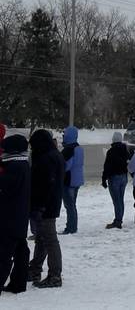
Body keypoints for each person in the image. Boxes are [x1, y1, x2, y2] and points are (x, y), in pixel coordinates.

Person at [27, 129, 64, 288]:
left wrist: (39, 205)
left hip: (45, 205)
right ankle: (34, 269)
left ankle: (55, 275)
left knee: (49, 240)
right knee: (42, 239)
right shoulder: (55, 155)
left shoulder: (46, 158)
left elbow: (44, 184)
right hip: (51, 203)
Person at [0, 134, 31, 296]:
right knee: (21, 251)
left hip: (10, 217)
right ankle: (19, 283)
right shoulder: (22, 164)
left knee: (4, 253)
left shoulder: (14, 168)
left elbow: (5, 187)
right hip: (19, 215)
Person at [101, 132, 130, 229]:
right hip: (124, 177)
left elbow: (107, 166)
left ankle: (118, 221)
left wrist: (104, 179)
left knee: (116, 200)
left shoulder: (111, 151)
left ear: (113, 139)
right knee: (120, 199)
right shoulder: (125, 150)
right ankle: (119, 219)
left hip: (114, 178)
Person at [61, 126, 84, 234]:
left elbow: (67, 166)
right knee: (72, 205)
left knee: (69, 206)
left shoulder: (68, 150)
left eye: (64, 134)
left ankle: (71, 228)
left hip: (69, 181)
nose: (63, 136)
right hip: (77, 180)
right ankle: (72, 226)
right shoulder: (79, 148)